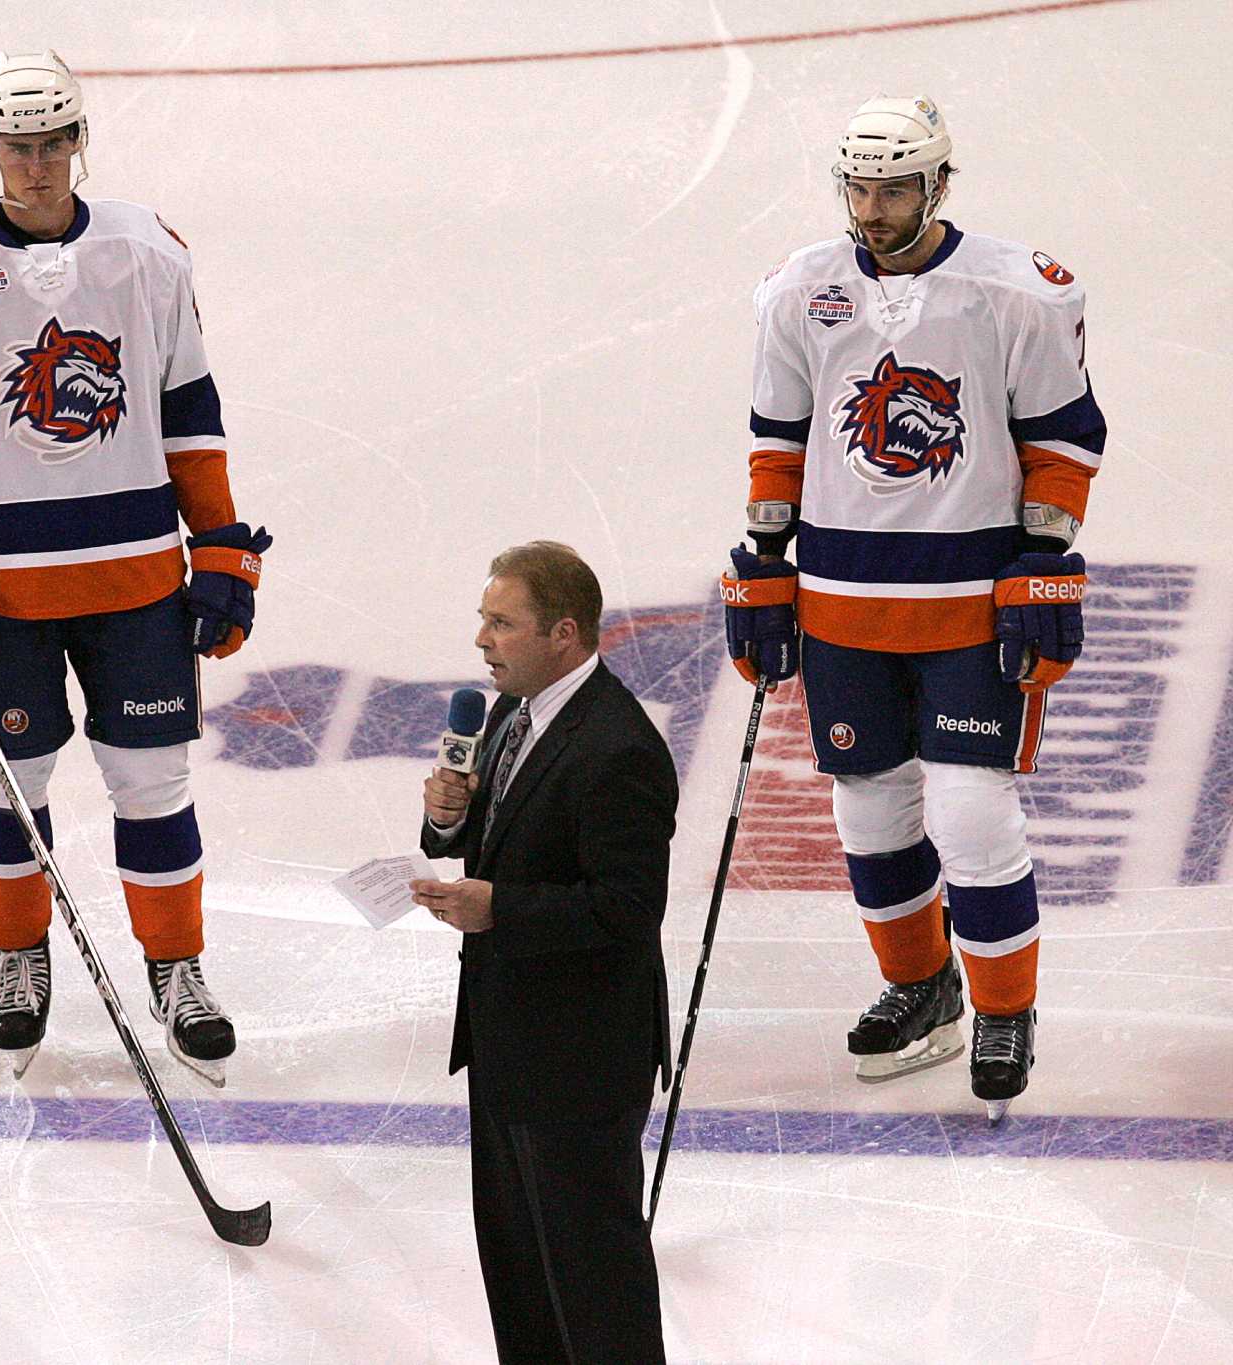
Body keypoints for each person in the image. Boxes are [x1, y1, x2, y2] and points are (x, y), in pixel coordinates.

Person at [0, 51, 269, 1085]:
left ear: (77, 143)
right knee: (8, 784)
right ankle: (17, 958)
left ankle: (176, 968)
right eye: (16, 147)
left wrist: (218, 545)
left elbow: (189, 407)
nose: (36, 167)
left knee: (153, 780)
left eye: (52, 145)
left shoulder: (144, 253)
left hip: (134, 579)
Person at [721, 95, 1104, 1120]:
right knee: (867, 810)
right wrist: (762, 560)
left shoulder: (1012, 291)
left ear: (938, 183)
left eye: (893, 185)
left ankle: (1002, 1008)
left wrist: (1041, 556)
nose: (873, 205)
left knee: (971, 814)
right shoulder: (800, 291)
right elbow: (777, 434)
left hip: (968, 605)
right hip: (842, 602)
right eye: (858, 185)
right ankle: (918, 981)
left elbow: (1064, 435)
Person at [412, 542, 674, 1364]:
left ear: (564, 633)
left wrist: (500, 909)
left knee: (594, 1282)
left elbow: (628, 908)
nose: (483, 641)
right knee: (520, 1272)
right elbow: (496, 842)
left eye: (502, 623)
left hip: (581, 1058)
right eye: (483, 620)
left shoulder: (618, 748)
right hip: (505, 1041)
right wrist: (450, 820)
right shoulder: (508, 714)